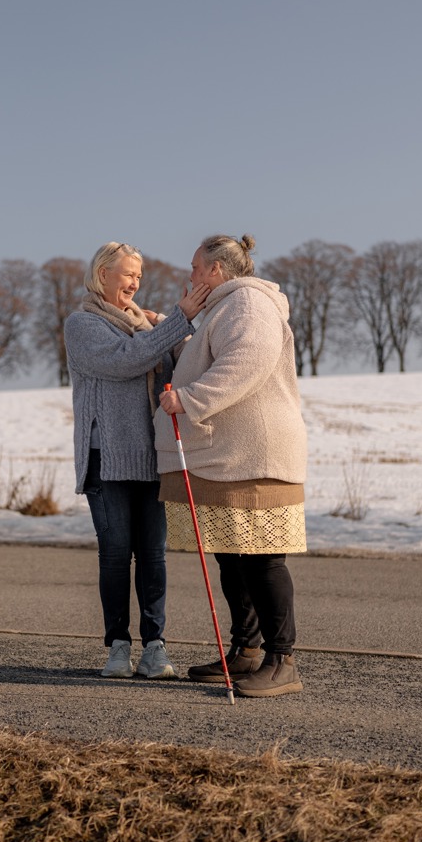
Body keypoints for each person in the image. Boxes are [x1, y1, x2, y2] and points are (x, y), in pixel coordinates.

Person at [155, 233, 308, 697]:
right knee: (231, 553)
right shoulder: (224, 308)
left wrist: (189, 399)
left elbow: (246, 363)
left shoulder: (248, 304)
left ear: (218, 270)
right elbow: (205, 357)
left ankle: (283, 663)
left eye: (197, 268)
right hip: (228, 454)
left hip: (253, 454)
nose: (191, 275)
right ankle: (247, 651)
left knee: (262, 558)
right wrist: (167, 324)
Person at [65, 241, 211, 679]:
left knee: (153, 554)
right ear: (102, 274)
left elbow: (176, 365)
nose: (134, 283)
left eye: (139, 277)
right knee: (114, 554)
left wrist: (180, 328)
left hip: (154, 456)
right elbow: (126, 361)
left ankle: (155, 648)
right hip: (105, 458)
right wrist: (177, 320)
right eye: (128, 273)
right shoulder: (82, 324)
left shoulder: (148, 325)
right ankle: (118, 647)